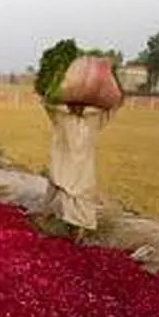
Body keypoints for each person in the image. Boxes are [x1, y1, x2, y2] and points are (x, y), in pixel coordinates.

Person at [40, 102, 113, 237]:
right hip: (65, 161)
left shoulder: (91, 117)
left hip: (81, 166)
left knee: (80, 191)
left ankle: (76, 226)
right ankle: (56, 221)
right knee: (60, 185)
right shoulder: (65, 116)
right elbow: (50, 106)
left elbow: (105, 110)